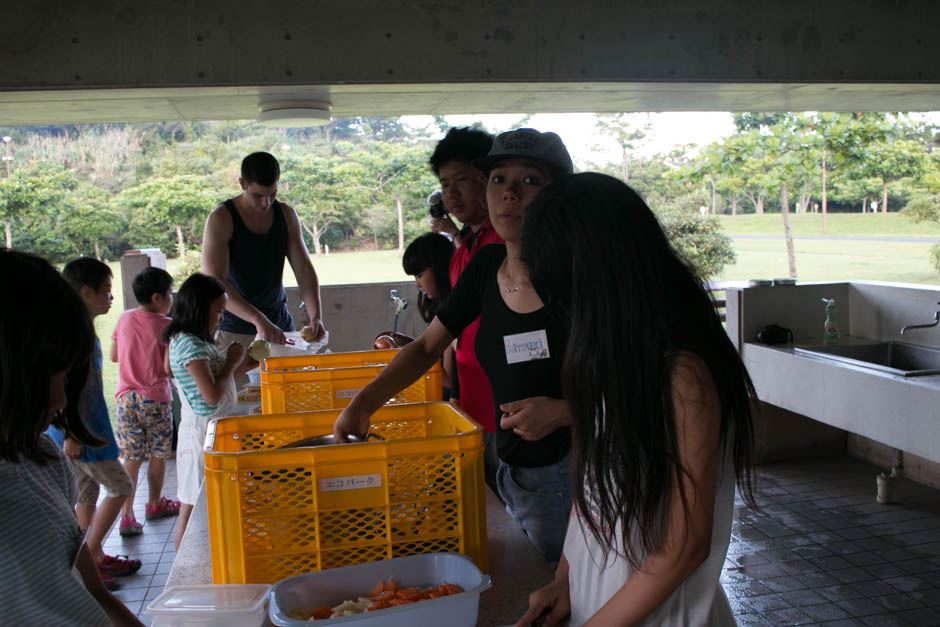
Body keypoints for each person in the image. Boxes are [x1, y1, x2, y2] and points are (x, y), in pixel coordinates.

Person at [513, 173, 758, 627]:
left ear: (604, 279)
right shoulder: (610, 359)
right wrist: (565, 578)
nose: (567, 311)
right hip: (600, 605)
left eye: (569, 294)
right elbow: (590, 491)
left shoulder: (684, 375)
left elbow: (685, 546)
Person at [335, 128, 575, 562]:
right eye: (498, 179)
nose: (510, 194)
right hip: (511, 468)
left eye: (530, 181)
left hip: (574, 474)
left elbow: (642, 383)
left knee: (569, 596)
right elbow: (427, 347)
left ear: (560, 193)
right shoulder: (486, 266)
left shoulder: (581, 276)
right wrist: (364, 403)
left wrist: (563, 411)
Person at [0, 249, 143, 625]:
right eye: (48, 377)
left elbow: (92, 592)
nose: (60, 399)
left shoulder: (40, 458)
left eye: (66, 378)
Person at [46, 257, 142, 583]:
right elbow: (67, 389)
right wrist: (71, 433)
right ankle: (90, 553)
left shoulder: (78, 329)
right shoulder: (75, 335)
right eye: (106, 290)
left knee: (85, 494)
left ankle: (94, 559)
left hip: (83, 431)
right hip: (82, 434)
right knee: (120, 486)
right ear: (86, 292)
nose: (111, 298)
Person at [428, 127, 504, 493]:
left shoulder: (507, 241)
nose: (451, 193)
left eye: (462, 180)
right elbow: (456, 331)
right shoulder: (464, 249)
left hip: (508, 410)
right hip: (471, 401)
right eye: (444, 184)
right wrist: (456, 388)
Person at [202, 151, 327, 352]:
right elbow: (215, 280)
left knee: (285, 383)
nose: (266, 203)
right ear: (243, 184)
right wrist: (257, 320)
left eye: (272, 194)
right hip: (233, 327)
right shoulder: (221, 218)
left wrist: (316, 316)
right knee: (235, 384)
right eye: (258, 195)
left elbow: (303, 269)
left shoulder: (286, 215)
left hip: (279, 325)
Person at [162, 273, 247, 550]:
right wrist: (231, 362)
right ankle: (182, 566)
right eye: (218, 310)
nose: (221, 317)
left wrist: (244, 361)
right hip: (200, 433)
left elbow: (219, 375)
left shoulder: (196, 341)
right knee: (193, 504)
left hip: (210, 429)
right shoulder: (188, 343)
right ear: (200, 308)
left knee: (199, 501)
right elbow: (210, 395)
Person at [110, 266, 180, 537]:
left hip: (126, 398)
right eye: (169, 294)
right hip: (155, 399)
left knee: (131, 456)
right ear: (156, 298)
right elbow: (167, 368)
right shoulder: (167, 326)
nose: (171, 299)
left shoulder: (125, 319)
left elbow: (115, 355)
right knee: (159, 454)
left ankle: (127, 516)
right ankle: (153, 503)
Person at [402, 232, 456, 396]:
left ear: (439, 268)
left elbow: (449, 380)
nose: (417, 284)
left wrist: (411, 356)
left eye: (420, 275)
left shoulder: (453, 314)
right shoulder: (443, 307)